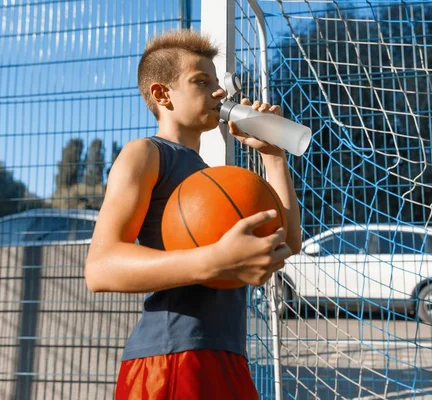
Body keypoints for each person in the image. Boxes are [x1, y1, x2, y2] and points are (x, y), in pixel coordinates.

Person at [84, 29, 302, 399]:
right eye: (202, 81)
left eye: (218, 83)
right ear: (161, 94)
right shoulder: (146, 154)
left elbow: (288, 242)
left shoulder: (211, 177)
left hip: (227, 352)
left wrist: (273, 157)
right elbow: (100, 267)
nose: (219, 92)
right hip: (170, 358)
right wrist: (214, 261)